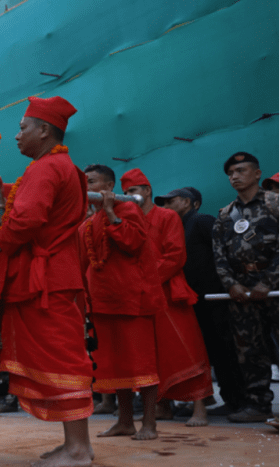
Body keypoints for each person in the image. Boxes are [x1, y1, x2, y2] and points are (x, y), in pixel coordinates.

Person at [0, 97, 93, 466]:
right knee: (60, 355)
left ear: (44, 130)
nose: (16, 136)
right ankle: (73, 444)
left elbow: (26, 221)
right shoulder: (62, 166)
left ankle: (78, 448)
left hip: (47, 279)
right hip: (55, 273)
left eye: (23, 127)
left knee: (62, 357)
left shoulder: (46, 168)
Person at [122, 169, 213, 427]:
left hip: (169, 291)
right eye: (126, 192)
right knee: (152, 353)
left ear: (147, 190)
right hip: (141, 294)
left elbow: (176, 256)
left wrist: (145, 279)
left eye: (134, 191)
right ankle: (162, 407)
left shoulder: (167, 216)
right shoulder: (128, 220)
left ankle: (200, 410)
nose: (130, 196)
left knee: (187, 348)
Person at [80, 165, 164, 441]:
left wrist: (111, 212)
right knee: (115, 364)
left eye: (91, 181)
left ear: (109, 185)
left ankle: (149, 424)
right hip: (102, 302)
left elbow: (133, 241)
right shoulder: (90, 218)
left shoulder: (127, 209)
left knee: (142, 363)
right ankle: (124, 421)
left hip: (131, 301)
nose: (86, 185)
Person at [156, 186, 246, 416]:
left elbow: (222, 251)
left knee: (222, 349)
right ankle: (202, 398)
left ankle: (235, 401)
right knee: (201, 351)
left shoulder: (201, 220)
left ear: (188, 202)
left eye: (170, 201)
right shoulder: (176, 226)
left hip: (213, 297)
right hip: (192, 299)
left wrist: (229, 283)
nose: (165, 207)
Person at [211, 152, 278, 423]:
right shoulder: (226, 214)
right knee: (250, 350)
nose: (235, 177)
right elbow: (219, 256)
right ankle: (258, 405)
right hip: (242, 293)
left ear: (258, 173)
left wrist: (269, 282)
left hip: (274, 288)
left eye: (241, 170)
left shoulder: (275, 203)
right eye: (231, 173)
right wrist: (231, 285)